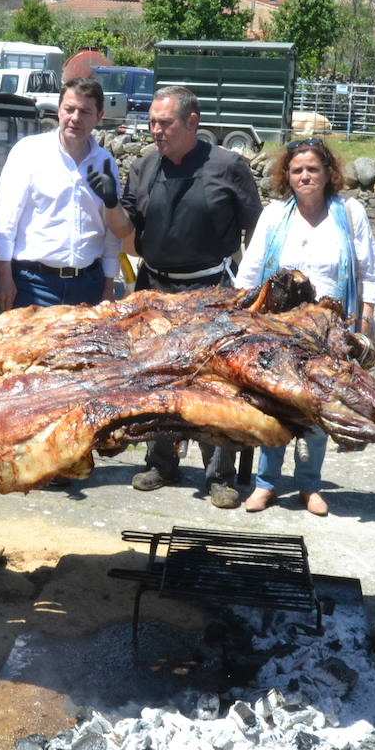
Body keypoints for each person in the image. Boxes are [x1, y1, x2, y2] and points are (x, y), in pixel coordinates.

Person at [122, 86, 262, 509]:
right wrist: (106, 201)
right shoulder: (144, 167)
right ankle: (161, 462)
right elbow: (123, 229)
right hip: (155, 288)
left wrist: (252, 285)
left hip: (211, 291)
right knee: (159, 378)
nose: (156, 131)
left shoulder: (230, 166)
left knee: (214, 385)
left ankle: (219, 475)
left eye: (164, 123)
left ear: (192, 122)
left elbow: (256, 228)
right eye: (152, 123)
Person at [233, 137, 375, 517]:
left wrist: (364, 322)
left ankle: (309, 485)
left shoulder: (349, 213)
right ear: (287, 175)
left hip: (331, 327)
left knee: (318, 407)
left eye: (312, 169)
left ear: (327, 173)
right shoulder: (273, 215)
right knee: (277, 402)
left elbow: (370, 271)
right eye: (297, 169)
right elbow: (250, 271)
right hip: (279, 326)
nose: (305, 176)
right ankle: (265, 485)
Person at [0, 76, 129, 312]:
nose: (75, 118)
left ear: (99, 117)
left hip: (89, 285)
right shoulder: (29, 152)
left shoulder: (105, 162)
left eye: (85, 111)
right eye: (69, 109)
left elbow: (110, 234)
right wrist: (3, 277)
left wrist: (108, 285)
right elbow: (4, 220)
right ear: (58, 111)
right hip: (34, 285)